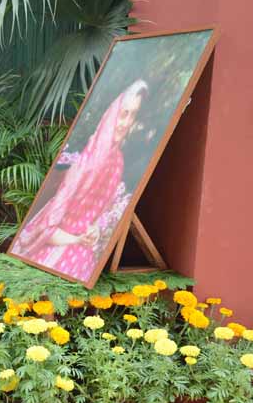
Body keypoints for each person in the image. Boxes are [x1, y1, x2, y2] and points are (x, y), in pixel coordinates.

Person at [10, 79, 149, 283]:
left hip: (84, 252)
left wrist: (95, 230)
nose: (126, 122)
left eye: (133, 115)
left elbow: (100, 213)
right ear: (112, 113)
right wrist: (75, 239)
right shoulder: (87, 159)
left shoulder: (117, 161)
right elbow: (48, 225)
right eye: (124, 113)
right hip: (56, 246)